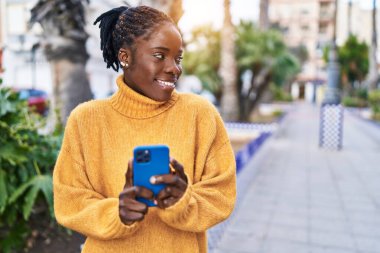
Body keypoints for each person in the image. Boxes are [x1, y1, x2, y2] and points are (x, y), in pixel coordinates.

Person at [53, 5, 236, 253]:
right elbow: (69, 201)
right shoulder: (86, 119)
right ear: (125, 57)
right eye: (160, 56)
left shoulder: (200, 114)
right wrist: (116, 213)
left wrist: (184, 201)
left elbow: (221, 195)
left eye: (177, 58)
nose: (174, 68)